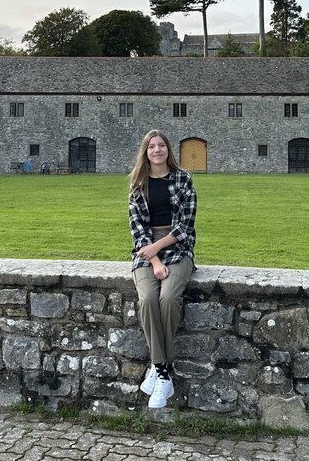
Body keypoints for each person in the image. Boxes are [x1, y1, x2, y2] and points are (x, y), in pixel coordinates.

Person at [128, 129, 197, 409]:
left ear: (168, 149)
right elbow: (138, 230)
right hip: (146, 251)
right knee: (147, 300)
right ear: (145, 152)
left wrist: (159, 249)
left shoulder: (183, 179)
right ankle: (163, 370)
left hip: (178, 247)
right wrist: (154, 258)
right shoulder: (138, 184)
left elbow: (185, 225)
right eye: (151, 147)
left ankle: (158, 371)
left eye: (161, 145)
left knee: (168, 298)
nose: (157, 150)